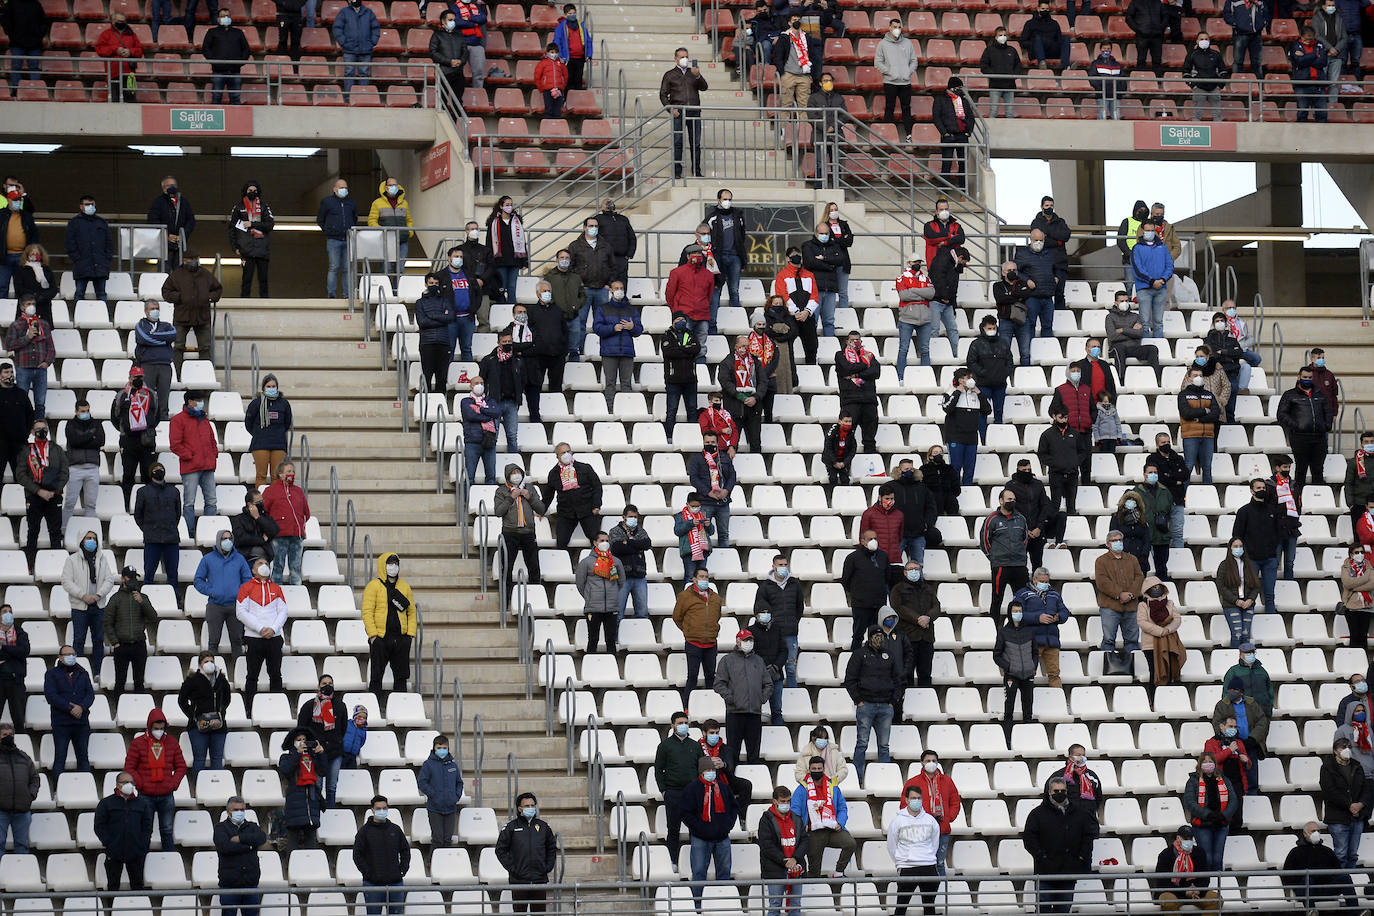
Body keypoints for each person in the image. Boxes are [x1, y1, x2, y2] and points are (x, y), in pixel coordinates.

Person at [1024, 778, 1098, 915]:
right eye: (1056, 791)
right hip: (1045, 872)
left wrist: (1081, 857)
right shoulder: (1037, 814)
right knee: (1043, 910)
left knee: (1063, 910)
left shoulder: (1079, 813)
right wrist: (1042, 857)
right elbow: (1029, 839)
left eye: (1063, 791)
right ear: (1049, 792)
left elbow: (1088, 837)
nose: (1060, 793)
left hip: (1069, 872)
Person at [124, 708, 187, 852]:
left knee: (167, 831)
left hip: (166, 795)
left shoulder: (171, 742)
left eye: (162, 728)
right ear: (149, 726)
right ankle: (142, 864)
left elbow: (181, 766)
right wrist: (141, 784)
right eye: (156, 728)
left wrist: (173, 784)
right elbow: (129, 767)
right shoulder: (138, 743)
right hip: (146, 795)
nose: (159, 731)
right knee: (145, 832)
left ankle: (169, 863)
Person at [844, 625, 900, 781]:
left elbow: (898, 680)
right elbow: (850, 679)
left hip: (885, 706)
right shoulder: (859, 654)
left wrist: (892, 701)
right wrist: (858, 701)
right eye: (875, 636)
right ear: (869, 637)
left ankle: (885, 779)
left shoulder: (890, 655)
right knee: (862, 743)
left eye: (881, 636)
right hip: (866, 705)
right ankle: (857, 778)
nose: (878, 638)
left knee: (884, 746)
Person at [714, 628, 772, 767]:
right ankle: (733, 783)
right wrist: (731, 698)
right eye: (746, 640)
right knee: (733, 752)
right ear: (738, 642)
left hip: (754, 713)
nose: (749, 642)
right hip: (735, 713)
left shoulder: (758, 660)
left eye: (750, 640)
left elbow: (768, 684)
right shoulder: (727, 660)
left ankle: (755, 781)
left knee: (754, 752)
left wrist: (761, 699)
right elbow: (718, 684)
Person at [655, 711, 705, 871]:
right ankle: (673, 861)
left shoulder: (695, 745)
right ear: (672, 725)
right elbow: (658, 770)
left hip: (692, 793)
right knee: (673, 828)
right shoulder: (665, 746)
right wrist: (664, 790)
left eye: (685, 722)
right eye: (679, 723)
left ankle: (695, 862)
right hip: (673, 793)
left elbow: (702, 767)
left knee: (695, 828)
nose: (683, 725)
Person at [792, 755, 855, 878]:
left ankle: (839, 872)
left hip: (832, 829)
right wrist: (802, 830)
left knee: (850, 843)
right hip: (813, 832)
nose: (816, 771)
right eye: (813, 768)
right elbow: (795, 812)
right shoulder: (802, 789)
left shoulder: (833, 786)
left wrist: (840, 823)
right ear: (809, 770)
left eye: (819, 768)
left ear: (823, 769)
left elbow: (842, 808)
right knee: (814, 871)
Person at [238, 557, 287, 713]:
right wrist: (259, 628)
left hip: (274, 638)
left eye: (266, 563)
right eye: (260, 564)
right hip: (253, 639)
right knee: (252, 676)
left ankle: (277, 709)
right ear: (253, 570)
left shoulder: (277, 588)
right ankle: (250, 709)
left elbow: (283, 611)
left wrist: (273, 628)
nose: (264, 566)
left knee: (276, 674)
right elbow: (240, 612)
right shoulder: (245, 588)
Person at [195, 531, 252, 663]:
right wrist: (211, 591)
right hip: (215, 606)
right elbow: (198, 580)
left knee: (237, 640)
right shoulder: (208, 559)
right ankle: (211, 671)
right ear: (218, 541)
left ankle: (239, 671)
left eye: (229, 538)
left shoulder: (239, 559)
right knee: (213, 641)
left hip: (235, 606)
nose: (227, 541)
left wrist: (239, 593)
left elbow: (247, 579)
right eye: (224, 538)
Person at [362, 552, 416, 694]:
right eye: (390, 564)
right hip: (380, 639)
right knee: (376, 676)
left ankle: (401, 709)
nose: (393, 567)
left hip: (401, 639)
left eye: (396, 564)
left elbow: (411, 612)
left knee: (401, 676)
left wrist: (410, 635)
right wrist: (373, 636)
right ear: (383, 566)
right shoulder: (373, 586)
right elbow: (367, 612)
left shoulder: (405, 587)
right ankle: (375, 708)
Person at [16, 417, 64, 572]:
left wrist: (54, 490)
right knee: (33, 531)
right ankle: (30, 566)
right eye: (38, 429)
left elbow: (65, 472)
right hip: (34, 496)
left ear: (48, 430)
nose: (41, 432)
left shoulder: (56, 449)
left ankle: (57, 567)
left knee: (55, 532)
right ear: (32, 432)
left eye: (44, 429)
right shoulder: (26, 450)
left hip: (54, 495)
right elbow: (20, 475)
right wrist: (38, 491)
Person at [103, 565, 159, 699]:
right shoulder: (115, 598)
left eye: (134, 578)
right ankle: (119, 711)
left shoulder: (142, 597)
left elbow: (153, 617)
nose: (132, 580)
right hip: (121, 645)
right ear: (123, 579)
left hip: (139, 644)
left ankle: (139, 711)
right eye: (130, 577)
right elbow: (107, 622)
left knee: (139, 681)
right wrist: (115, 642)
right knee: (120, 682)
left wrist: (142, 602)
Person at [1283, 821, 1361, 915]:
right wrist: (1303, 878)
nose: (1316, 833)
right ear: (1305, 834)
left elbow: (1337, 871)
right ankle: (1311, 912)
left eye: (1318, 831)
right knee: (1308, 880)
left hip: (1325, 888)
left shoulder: (1327, 851)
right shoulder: (1295, 852)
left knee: (1345, 878)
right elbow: (1287, 875)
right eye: (1313, 831)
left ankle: (1356, 912)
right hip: (1307, 890)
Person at [161, 252, 220, 375]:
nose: (194, 261)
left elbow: (218, 289)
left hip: (202, 317)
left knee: (205, 348)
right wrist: (180, 297)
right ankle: (176, 376)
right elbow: (166, 291)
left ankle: (205, 376)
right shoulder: (177, 274)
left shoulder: (205, 273)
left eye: (195, 258)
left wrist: (208, 297)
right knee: (178, 347)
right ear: (184, 260)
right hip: (182, 316)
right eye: (191, 259)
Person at [93, 771, 154, 890]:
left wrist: (142, 844)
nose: (129, 785)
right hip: (114, 851)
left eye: (131, 782)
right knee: (113, 885)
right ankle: (111, 908)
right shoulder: (106, 803)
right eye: (125, 782)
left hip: (136, 851)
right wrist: (109, 842)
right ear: (118, 785)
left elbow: (147, 826)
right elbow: (99, 826)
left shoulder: (142, 803)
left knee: (137, 885)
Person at [1278, 365, 1333, 494]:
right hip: (1299, 437)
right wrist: (1296, 425)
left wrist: (1326, 426)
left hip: (1319, 437)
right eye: (1304, 377)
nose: (1307, 379)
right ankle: (1299, 498)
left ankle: (1318, 499)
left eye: (1309, 377)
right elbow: (1281, 414)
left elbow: (1328, 412)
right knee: (1301, 469)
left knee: (1318, 469)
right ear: (1299, 377)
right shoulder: (1289, 395)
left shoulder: (1320, 394)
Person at [1232, 477, 1283, 615]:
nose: (1262, 490)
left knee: (1269, 594)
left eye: (1263, 488)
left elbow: (1278, 533)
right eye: (1258, 488)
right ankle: (1248, 625)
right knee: (1249, 594)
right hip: (1251, 560)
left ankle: (1271, 623)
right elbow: (1237, 536)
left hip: (1270, 559)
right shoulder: (1244, 511)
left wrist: (1273, 551)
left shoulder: (1272, 510)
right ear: (1251, 491)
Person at [888, 784, 941, 916]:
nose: (916, 801)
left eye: (918, 798)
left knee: (929, 907)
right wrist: (901, 860)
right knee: (901, 906)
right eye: (913, 798)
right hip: (907, 866)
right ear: (906, 800)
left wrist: (927, 856)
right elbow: (891, 846)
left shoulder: (930, 820)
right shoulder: (897, 821)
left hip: (928, 865)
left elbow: (935, 844)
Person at [296, 674, 348, 809]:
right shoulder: (309, 706)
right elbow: (301, 729)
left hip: (334, 752)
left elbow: (343, 729)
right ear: (318, 686)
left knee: (331, 787)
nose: (327, 686)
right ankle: (316, 815)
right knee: (317, 785)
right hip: (316, 754)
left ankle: (330, 813)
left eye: (330, 683)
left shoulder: (340, 706)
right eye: (324, 683)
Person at [353, 795, 410, 916]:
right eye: (378, 808)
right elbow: (357, 855)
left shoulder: (395, 829)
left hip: (395, 883)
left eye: (384, 808)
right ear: (372, 810)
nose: (382, 811)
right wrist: (368, 873)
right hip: (372, 884)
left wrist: (402, 870)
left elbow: (405, 850)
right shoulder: (364, 831)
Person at [674, 567, 723, 704]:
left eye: (706, 577)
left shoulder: (715, 598)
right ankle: (688, 706)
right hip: (693, 642)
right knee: (692, 677)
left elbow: (717, 616)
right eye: (701, 577)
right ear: (694, 579)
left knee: (710, 676)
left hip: (711, 643)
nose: (704, 579)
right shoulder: (685, 596)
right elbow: (677, 617)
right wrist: (689, 630)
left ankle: (710, 704)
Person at [177, 652, 231, 777]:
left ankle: (216, 789)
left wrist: (221, 712)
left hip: (218, 725)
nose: (209, 664)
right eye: (206, 661)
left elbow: (227, 698)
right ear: (200, 664)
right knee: (200, 759)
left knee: (217, 759)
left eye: (211, 661)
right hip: (198, 726)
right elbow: (182, 700)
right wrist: (193, 715)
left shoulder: (221, 679)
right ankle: (199, 789)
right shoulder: (192, 679)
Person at [1015, 568, 1069, 689]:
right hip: (1032, 641)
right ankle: (1027, 701)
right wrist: (1037, 618)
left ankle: (1058, 702)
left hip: (1052, 640)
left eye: (1046, 582)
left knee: (1055, 674)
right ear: (1034, 580)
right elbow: (1017, 615)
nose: (1044, 584)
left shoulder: (1054, 594)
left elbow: (1065, 612)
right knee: (1029, 673)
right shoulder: (1022, 594)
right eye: (1042, 581)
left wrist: (1058, 617)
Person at [494, 464, 544, 597]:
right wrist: (511, 497)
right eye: (513, 472)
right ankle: (506, 598)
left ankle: (536, 597)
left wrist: (530, 497)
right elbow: (498, 512)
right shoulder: (501, 491)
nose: (516, 475)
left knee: (533, 566)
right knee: (507, 566)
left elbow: (541, 509)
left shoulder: (530, 488)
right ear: (508, 476)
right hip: (510, 533)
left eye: (518, 472)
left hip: (528, 532)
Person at [981, 488, 1029, 626]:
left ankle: (1019, 628)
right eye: (1009, 499)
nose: (1012, 501)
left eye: (1014, 499)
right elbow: (984, 541)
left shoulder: (1021, 519)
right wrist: (994, 557)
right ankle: (994, 629)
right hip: (1001, 566)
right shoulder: (992, 519)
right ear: (1001, 501)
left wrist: (1019, 554)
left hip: (1019, 565)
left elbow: (1024, 539)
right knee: (997, 599)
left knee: (1022, 600)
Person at [1210, 679, 1269, 791]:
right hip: (1232, 747)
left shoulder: (1252, 703)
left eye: (1235, 690)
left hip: (1250, 745)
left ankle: (1252, 800)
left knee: (1252, 778)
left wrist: (1253, 738)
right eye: (1230, 689)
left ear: (1241, 692)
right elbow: (1217, 723)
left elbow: (1262, 721)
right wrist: (1231, 738)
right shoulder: (1222, 705)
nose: (1231, 692)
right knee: (1234, 779)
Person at [759, 783, 807, 916]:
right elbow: (767, 845)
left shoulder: (796, 818)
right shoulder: (766, 819)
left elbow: (804, 840)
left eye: (788, 801)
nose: (786, 804)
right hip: (775, 869)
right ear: (774, 801)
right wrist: (785, 861)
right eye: (783, 801)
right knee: (775, 906)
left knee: (796, 907)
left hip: (796, 868)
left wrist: (795, 859)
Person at [1184, 751, 1237, 872]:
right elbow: (1190, 802)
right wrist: (1208, 814)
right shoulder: (1193, 781)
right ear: (1200, 764)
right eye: (1205, 762)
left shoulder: (1224, 779)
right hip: (1202, 824)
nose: (1208, 764)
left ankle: (1217, 888)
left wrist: (1224, 816)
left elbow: (1233, 800)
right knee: (1207, 858)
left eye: (1210, 761)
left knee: (1218, 859)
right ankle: (1206, 888)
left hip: (1221, 823)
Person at [542, 442, 603, 548]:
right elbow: (548, 494)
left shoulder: (585, 468)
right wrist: (541, 510)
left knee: (596, 540)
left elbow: (597, 486)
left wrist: (596, 505)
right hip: (566, 512)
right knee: (561, 542)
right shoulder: (554, 473)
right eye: (562, 453)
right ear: (557, 457)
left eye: (568, 451)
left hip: (587, 510)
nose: (566, 454)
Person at [46, 645, 94, 779]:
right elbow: (51, 696)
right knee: (60, 758)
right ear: (60, 657)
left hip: (81, 723)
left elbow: (90, 694)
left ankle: (85, 790)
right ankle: (58, 791)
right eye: (67, 654)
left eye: (72, 654)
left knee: (83, 758)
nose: (70, 657)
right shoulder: (51, 674)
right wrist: (70, 707)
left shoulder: (83, 673)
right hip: (61, 723)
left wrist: (81, 707)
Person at [214, 796, 267, 916]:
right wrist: (249, 846)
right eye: (236, 810)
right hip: (229, 885)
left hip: (250, 884)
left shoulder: (252, 826)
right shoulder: (220, 828)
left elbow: (262, 838)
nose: (240, 813)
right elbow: (225, 847)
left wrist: (240, 838)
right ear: (228, 812)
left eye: (242, 810)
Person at [705, 190, 749, 331]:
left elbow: (742, 236)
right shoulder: (712, 217)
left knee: (734, 290)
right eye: (725, 199)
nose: (727, 201)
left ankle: (736, 322)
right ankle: (713, 324)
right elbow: (704, 233)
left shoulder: (738, 216)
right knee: (716, 288)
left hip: (734, 255)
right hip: (718, 256)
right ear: (718, 199)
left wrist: (741, 255)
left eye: (729, 199)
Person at [660, 49, 708, 178]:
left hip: (694, 111)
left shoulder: (693, 73)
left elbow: (704, 87)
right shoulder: (669, 74)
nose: (684, 59)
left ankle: (697, 171)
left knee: (696, 143)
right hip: (679, 112)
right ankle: (677, 172)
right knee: (678, 142)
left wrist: (698, 75)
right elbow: (663, 94)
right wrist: (671, 109)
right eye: (682, 57)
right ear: (676, 58)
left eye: (686, 57)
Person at [840, 530, 891, 652]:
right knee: (858, 635)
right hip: (861, 605)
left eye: (875, 538)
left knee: (877, 636)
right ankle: (855, 662)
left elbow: (887, 578)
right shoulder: (853, 558)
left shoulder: (883, 556)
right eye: (870, 539)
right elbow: (846, 580)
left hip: (879, 604)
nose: (873, 541)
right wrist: (858, 594)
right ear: (862, 541)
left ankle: (875, 664)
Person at [1096, 530, 1143, 658]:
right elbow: (1102, 581)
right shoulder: (1101, 561)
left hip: (1131, 606)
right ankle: (1107, 670)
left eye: (1120, 540)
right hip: (1110, 606)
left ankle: (1132, 669)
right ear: (1107, 544)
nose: (1118, 543)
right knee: (1108, 640)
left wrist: (1131, 594)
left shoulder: (1132, 559)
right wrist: (1120, 594)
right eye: (1114, 540)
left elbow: (1139, 578)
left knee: (1132, 641)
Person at [4, 295, 52, 420]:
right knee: (21, 401)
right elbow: (9, 346)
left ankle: (39, 428)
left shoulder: (44, 324)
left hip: (41, 368)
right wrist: (27, 337)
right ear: (22, 307)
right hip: (23, 368)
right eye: (28, 304)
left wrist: (47, 362)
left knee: (40, 403)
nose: (32, 306)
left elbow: (51, 347)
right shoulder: (16, 325)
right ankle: (22, 426)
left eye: (33, 304)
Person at [262, 460, 310, 585]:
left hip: (297, 535)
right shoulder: (270, 491)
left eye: (293, 471)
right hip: (279, 535)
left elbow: (306, 512)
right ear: (280, 474)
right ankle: (276, 595)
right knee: (278, 566)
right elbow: (263, 513)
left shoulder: (298, 491)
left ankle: (297, 595)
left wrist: (300, 525)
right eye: (289, 471)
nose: (292, 473)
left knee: (296, 568)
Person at [993, 600, 1035, 739]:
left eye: (1020, 611)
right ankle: (1008, 739)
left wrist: (1033, 665)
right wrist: (1009, 667)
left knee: (1028, 707)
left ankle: (1028, 738)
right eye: (1015, 611)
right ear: (1010, 613)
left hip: (1027, 675)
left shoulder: (1029, 631)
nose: (1018, 614)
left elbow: (1035, 652)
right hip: (1011, 675)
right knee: (1009, 707)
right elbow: (996, 655)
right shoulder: (1004, 632)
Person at [1038, 408, 1088, 524]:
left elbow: (1082, 451)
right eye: (1061, 417)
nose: (1064, 420)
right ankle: (1055, 530)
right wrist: (1056, 463)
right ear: (1054, 417)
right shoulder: (1047, 434)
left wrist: (1075, 462)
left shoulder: (1075, 434)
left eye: (1066, 417)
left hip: (1072, 473)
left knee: (1071, 505)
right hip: (1056, 474)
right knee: (1055, 504)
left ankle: (1072, 528)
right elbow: (1042, 454)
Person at [1150, 825, 1218, 911]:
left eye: (1190, 838)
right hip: (1173, 892)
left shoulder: (1200, 852)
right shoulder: (1166, 854)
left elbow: (1205, 877)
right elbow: (1162, 882)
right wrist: (1184, 891)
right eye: (1185, 838)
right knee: (1169, 902)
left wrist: (1198, 889)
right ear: (1178, 838)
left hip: (1196, 892)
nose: (1189, 841)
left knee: (1216, 900)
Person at [576, 533, 624, 654]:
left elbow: (621, 581)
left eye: (607, 540)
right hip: (593, 606)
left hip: (611, 606)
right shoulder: (586, 562)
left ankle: (612, 668)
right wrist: (590, 596)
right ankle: (590, 668)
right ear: (595, 543)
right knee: (593, 639)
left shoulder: (616, 561)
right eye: (602, 540)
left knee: (611, 640)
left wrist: (612, 594)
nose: (605, 542)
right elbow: (580, 583)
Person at [1138, 576, 1185, 695]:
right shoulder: (1143, 605)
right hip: (1150, 645)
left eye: (1158, 587)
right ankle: (1154, 700)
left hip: (1168, 643)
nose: (1156, 589)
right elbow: (1142, 622)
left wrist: (1168, 630)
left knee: (1168, 672)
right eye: (1153, 587)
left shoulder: (1169, 603)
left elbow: (1177, 619)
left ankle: (1166, 699)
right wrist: (1160, 631)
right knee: (1155, 673)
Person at [278, 728, 323, 853]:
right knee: (293, 837)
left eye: (304, 739)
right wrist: (298, 754)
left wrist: (321, 754)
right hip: (295, 800)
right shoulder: (286, 757)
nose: (302, 742)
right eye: (299, 740)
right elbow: (285, 770)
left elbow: (323, 771)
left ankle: (311, 869)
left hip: (312, 801)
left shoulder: (312, 757)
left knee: (311, 838)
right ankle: (292, 865)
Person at [243, 375, 292, 489]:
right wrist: (259, 433)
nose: (271, 388)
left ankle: (274, 504)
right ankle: (260, 503)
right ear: (263, 388)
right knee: (261, 475)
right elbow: (248, 423)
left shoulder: (284, 403)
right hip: (260, 444)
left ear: (277, 387)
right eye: (268, 386)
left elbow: (287, 423)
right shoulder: (256, 403)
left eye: (273, 386)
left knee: (277, 476)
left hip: (278, 444)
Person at [968, 315, 1013, 438]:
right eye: (989, 328)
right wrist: (983, 373)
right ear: (983, 328)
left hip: (1000, 385)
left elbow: (1010, 361)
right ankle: (982, 439)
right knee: (982, 413)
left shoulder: (1003, 343)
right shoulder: (976, 344)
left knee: (999, 412)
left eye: (993, 327)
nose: (992, 330)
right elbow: (971, 362)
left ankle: (998, 438)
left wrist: (1003, 374)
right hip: (983, 385)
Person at [1105, 289, 1161, 383]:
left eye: (1126, 301)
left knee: (1152, 349)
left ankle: (1156, 379)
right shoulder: (1110, 317)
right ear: (1115, 303)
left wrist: (1123, 330)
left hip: (1133, 347)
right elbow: (1112, 336)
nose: (1125, 303)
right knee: (1119, 348)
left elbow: (1140, 333)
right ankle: (1120, 380)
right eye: (1121, 301)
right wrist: (1132, 333)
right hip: (1117, 348)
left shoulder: (1135, 316)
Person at [417, 734, 464, 848]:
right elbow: (422, 782)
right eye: (439, 748)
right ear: (434, 748)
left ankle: (446, 864)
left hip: (450, 808)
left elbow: (459, 782)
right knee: (437, 839)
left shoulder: (453, 765)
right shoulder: (428, 765)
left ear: (448, 749)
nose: (442, 750)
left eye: (444, 748)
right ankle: (432, 863)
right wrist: (434, 795)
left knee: (448, 839)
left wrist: (455, 796)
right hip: (435, 808)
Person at [67, 195, 115, 304]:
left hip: (100, 264)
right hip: (82, 264)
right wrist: (77, 258)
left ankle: (103, 317)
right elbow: (69, 243)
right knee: (79, 293)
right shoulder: (74, 223)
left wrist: (107, 259)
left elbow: (109, 242)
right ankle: (78, 316)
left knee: (101, 294)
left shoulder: (101, 222)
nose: (90, 207)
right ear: (81, 207)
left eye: (92, 204)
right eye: (87, 204)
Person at [366, 179, 412, 292]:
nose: (393, 187)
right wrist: (382, 232)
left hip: (402, 240)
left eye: (395, 185)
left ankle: (397, 292)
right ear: (385, 187)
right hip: (387, 241)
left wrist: (409, 231)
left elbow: (409, 220)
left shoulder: (404, 203)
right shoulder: (377, 203)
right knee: (387, 268)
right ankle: (386, 292)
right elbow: (372, 221)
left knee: (400, 269)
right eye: (390, 185)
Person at [1130, 461, 1174, 579]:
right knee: (1141, 568)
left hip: (1161, 535)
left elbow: (1170, 510)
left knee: (1162, 568)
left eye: (1155, 472)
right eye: (1150, 472)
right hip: (1142, 535)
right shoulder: (1136, 492)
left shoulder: (1165, 491)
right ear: (1144, 474)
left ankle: (1161, 595)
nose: (1153, 474)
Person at [893, 253, 935, 377]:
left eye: (919, 262)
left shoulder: (925, 278)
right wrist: (922, 294)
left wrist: (913, 290)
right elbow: (904, 296)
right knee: (903, 349)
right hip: (907, 318)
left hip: (925, 319)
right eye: (915, 262)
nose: (918, 264)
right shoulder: (901, 278)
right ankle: (901, 377)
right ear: (909, 263)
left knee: (925, 350)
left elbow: (932, 293)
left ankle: (926, 377)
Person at [0, 723, 37, 858]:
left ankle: (22, 876)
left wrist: (30, 795)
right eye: (4, 735)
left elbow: (34, 778)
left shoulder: (24, 757)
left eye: (10, 735)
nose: (8, 737)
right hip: (1, 811)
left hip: (22, 811)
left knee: (22, 845)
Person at [1131, 220, 1173, 339]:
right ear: (1142, 231)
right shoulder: (1137, 248)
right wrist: (1152, 281)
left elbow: (1169, 266)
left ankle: (1158, 348)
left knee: (1158, 322)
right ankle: (1146, 347)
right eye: (1147, 230)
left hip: (1161, 288)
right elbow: (1137, 268)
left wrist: (1162, 280)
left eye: (1152, 230)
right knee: (1144, 322)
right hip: (1144, 289)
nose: (1150, 232)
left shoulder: (1163, 247)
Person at [1215, 542, 1261, 650]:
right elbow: (1220, 586)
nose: (1238, 548)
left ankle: (1245, 664)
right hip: (1231, 604)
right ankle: (1235, 663)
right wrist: (1235, 600)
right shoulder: (1224, 565)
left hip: (1248, 604)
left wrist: (1250, 599)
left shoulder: (1250, 564)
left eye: (1240, 546)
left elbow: (1256, 585)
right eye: (1235, 546)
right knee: (1237, 634)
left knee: (1245, 635)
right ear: (1230, 548)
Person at [315, 180, 357, 300]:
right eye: (341, 187)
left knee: (347, 268)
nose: (344, 189)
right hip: (333, 240)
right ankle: (331, 294)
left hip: (348, 239)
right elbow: (320, 219)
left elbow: (354, 219)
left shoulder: (351, 203)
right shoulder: (327, 202)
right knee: (334, 267)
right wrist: (328, 231)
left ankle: (347, 295)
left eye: (345, 187)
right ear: (335, 189)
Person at [608, 506, 650, 621]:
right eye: (630, 517)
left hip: (640, 576)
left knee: (642, 612)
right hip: (622, 577)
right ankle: (615, 638)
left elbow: (647, 544)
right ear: (623, 517)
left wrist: (628, 543)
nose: (633, 519)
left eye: (635, 517)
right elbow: (617, 548)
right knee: (618, 613)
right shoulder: (615, 531)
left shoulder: (640, 530)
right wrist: (637, 546)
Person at [1015, 229, 1057, 341]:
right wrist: (1027, 280)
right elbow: (1016, 272)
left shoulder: (1049, 254)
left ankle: (1047, 352)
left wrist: (1056, 278)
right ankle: (1031, 350)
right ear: (1031, 239)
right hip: (1031, 297)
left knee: (1048, 326)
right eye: (1036, 240)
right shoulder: (1022, 254)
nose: (1039, 242)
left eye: (1041, 240)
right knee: (1030, 325)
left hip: (1048, 297)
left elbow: (1056, 269)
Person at [930, 77, 971, 191]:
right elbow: (936, 117)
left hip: (962, 136)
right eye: (958, 87)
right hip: (949, 136)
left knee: (963, 165)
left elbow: (970, 116)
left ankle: (963, 190)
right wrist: (944, 133)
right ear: (952, 88)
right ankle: (944, 190)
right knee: (947, 163)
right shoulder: (940, 99)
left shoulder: (963, 100)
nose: (960, 90)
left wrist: (968, 131)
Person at [202, 10, 251, 104]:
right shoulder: (212, 32)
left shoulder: (238, 32)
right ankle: (215, 117)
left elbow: (246, 50)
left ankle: (236, 118)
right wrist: (214, 61)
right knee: (216, 96)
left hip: (235, 71)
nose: (226, 18)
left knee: (235, 97)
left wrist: (240, 62)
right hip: (218, 71)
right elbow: (205, 48)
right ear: (218, 19)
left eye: (227, 16)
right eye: (223, 16)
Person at [773, 13, 817, 118]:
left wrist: (811, 74)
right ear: (789, 23)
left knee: (804, 107)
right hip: (789, 75)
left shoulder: (806, 37)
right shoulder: (784, 37)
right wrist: (782, 73)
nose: (796, 21)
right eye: (794, 20)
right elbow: (778, 56)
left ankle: (804, 132)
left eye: (798, 19)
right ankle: (783, 131)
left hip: (804, 75)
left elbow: (813, 56)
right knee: (786, 105)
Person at [333, 0, 380, 96]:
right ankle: (348, 97)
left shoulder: (368, 12)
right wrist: (344, 43)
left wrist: (372, 42)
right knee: (349, 73)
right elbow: (337, 28)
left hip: (365, 49)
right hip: (349, 49)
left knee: (364, 74)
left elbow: (375, 28)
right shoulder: (344, 12)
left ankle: (363, 96)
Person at [0, 0, 48, 90]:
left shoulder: (36, 4)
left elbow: (43, 21)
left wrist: (39, 35)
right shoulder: (11, 4)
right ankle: (16, 89)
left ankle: (35, 90)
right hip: (17, 43)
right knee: (16, 67)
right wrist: (11, 34)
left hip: (34, 43)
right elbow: (5, 20)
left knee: (33, 68)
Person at [979, 27, 1023, 117]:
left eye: (1004, 35)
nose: (1003, 37)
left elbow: (1018, 65)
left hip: (1009, 85)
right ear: (995, 37)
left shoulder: (1012, 50)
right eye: (1000, 35)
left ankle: (1010, 131)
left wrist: (1014, 75)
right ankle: (990, 131)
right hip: (995, 85)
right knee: (993, 111)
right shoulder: (989, 50)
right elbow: (983, 66)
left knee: (1010, 113)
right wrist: (993, 75)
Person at [1290, 27, 1330, 121]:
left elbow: (1323, 62)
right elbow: (1300, 61)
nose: (1308, 41)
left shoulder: (1319, 45)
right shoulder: (1295, 45)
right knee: (1302, 112)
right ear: (1301, 36)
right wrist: (1314, 55)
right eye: (1306, 39)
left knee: (1322, 113)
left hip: (1319, 84)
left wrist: (1305, 57)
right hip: (1302, 84)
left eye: (1310, 39)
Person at [13, 244, 56, 327]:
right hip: (27, 306)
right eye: (32, 253)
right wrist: (33, 296)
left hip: (44, 307)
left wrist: (43, 296)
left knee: (43, 334)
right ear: (27, 255)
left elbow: (53, 289)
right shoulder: (21, 270)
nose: (34, 255)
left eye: (37, 253)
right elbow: (19, 288)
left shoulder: (47, 270)